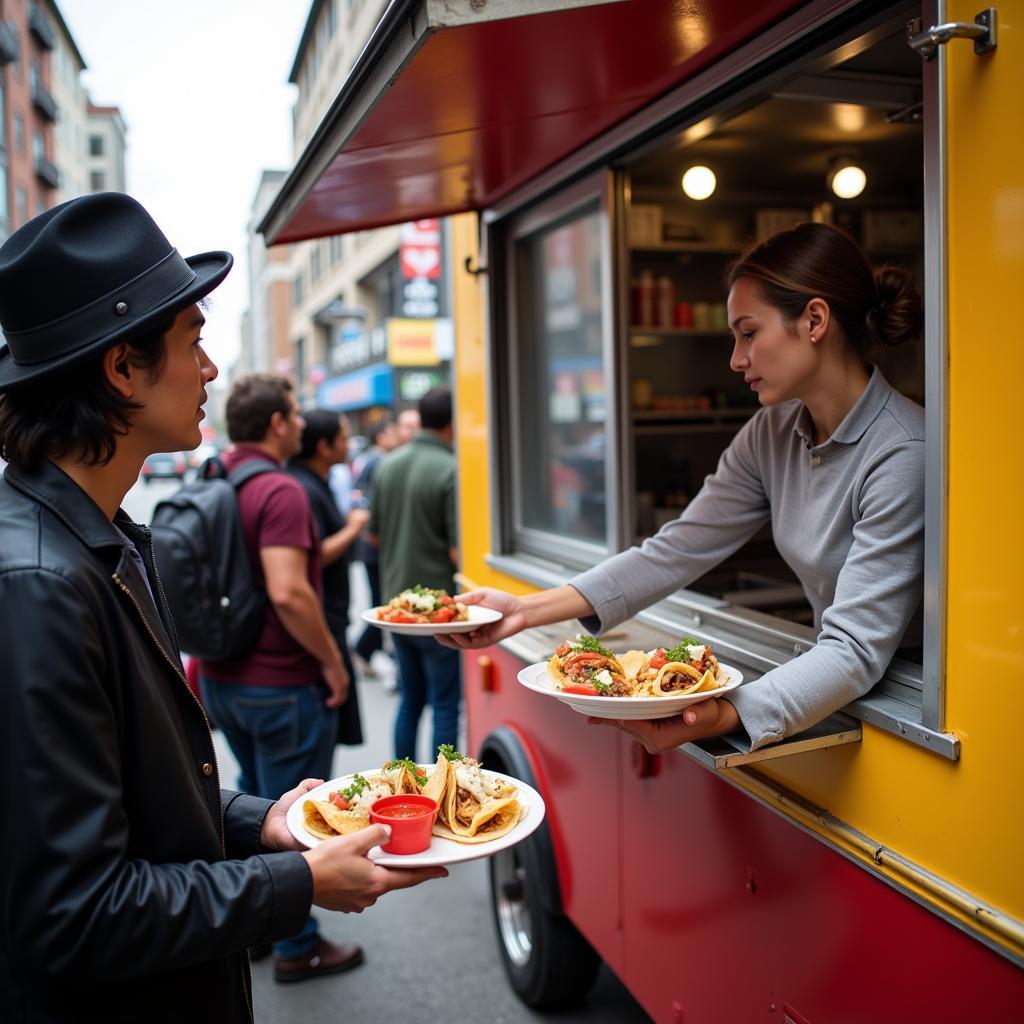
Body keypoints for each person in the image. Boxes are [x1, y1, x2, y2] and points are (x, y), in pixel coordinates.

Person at [0, 193, 444, 1022]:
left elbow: (142, 804)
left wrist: (265, 818)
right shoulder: (40, 584)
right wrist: (300, 881)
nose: (209, 370)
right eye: (192, 343)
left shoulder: (100, 538)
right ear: (121, 369)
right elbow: (74, 914)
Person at [443, 222, 925, 754]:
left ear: (814, 320)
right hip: (834, 687)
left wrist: (724, 715)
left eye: (748, 333)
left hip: (908, 702)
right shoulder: (773, 431)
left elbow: (856, 648)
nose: (736, 360)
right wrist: (522, 611)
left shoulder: (902, 451)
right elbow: (676, 550)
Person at [199, 374, 370, 982]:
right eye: (296, 414)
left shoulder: (216, 478)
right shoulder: (282, 488)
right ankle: (299, 948)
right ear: (276, 423)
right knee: (299, 814)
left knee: (252, 799)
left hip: (221, 679)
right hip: (282, 685)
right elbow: (290, 591)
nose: (302, 424)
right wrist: (332, 662)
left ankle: (258, 929)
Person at [369, 387, 461, 760]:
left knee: (410, 700)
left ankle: (402, 783)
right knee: (444, 704)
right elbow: (458, 551)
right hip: (438, 612)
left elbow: (373, 536)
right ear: (453, 423)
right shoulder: (451, 469)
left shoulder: (387, 464)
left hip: (396, 607)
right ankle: (446, 786)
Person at [288, 408, 370, 744]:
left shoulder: (311, 482)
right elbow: (315, 556)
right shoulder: (303, 488)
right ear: (324, 446)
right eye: (344, 437)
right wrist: (353, 529)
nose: (349, 444)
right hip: (322, 621)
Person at [351, 415, 401, 675]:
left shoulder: (371, 459)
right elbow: (362, 499)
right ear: (382, 436)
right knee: (382, 604)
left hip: (371, 547)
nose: (398, 436)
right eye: (393, 431)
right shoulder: (377, 461)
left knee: (381, 601)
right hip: (374, 548)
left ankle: (367, 649)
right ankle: (363, 649)